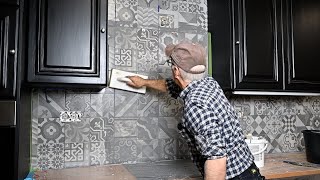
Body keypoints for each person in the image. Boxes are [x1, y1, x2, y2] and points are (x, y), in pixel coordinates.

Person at [125, 40, 265, 180]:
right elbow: (173, 85)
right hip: (249, 170)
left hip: (234, 177)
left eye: (171, 64)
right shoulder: (210, 83)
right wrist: (143, 82)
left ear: (175, 71)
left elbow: (216, 159)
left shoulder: (195, 106)